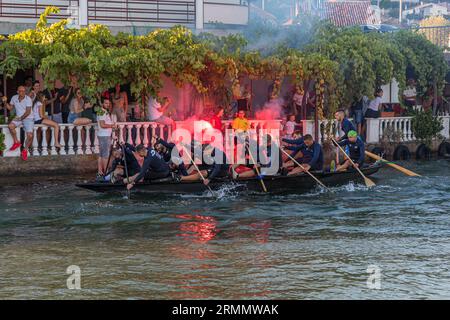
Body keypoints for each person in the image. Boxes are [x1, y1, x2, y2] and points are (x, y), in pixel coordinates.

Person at [2, 86, 34, 160]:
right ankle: (16, 142)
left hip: (28, 118)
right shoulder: (14, 98)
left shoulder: (28, 99)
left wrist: (20, 118)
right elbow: (10, 108)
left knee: (30, 135)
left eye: (23, 91)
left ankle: (25, 150)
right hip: (19, 117)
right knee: (10, 126)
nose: (22, 92)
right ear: (17, 92)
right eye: (20, 91)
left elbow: (28, 112)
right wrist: (5, 102)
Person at [96, 99, 116, 177]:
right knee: (105, 155)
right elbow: (102, 125)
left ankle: (100, 171)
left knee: (101, 155)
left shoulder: (103, 111)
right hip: (104, 136)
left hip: (103, 135)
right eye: (106, 103)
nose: (107, 104)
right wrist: (112, 125)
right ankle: (105, 172)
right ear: (102, 103)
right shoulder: (102, 111)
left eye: (108, 103)